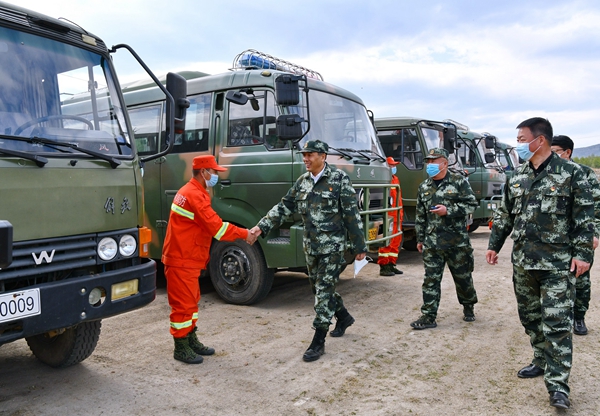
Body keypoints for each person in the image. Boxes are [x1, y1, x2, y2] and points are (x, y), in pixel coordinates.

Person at [486, 118, 594, 410]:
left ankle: (558, 386)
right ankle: (540, 359)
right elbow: (505, 215)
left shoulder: (572, 174)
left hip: (558, 265)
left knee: (557, 324)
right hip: (523, 263)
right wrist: (494, 245)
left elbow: (584, 218)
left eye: (522, 140)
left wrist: (583, 255)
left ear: (540, 140)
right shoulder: (517, 176)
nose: (518, 145)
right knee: (531, 318)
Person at [250, 140, 367, 362]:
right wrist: (261, 227)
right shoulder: (302, 182)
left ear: (323, 156)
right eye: (304, 155)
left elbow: (351, 214)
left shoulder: (339, 179)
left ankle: (318, 340)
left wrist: (359, 245)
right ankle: (343, 317)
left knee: (323, 290)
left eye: (310, 154)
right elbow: (284, 206)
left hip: (332, 247)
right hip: (311, 247)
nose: (305, 158)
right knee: (319, 288)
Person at [162, 155, 257, 364]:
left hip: (186, 257)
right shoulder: (194, 195)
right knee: (183, 305)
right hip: (182, 258)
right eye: (214, 172)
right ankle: (181, 346)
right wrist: (245, 234)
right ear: (204, 172)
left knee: (191, 301)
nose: (216, 176)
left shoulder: (192, 191)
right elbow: (217, 228)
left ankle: (190, 338)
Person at [411, 148, 478, 329]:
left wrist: (449, 210)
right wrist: (420, 238)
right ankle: (428, 316)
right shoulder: (424, 187)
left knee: (463, 277)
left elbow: (472, 204)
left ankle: (468, 306)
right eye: (428, 161)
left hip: (457, 241)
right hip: (433, 242)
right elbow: (420, 215)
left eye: (434, 161)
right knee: (430, 280)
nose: (430, 165)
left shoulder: (458, 182)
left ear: (445, 163)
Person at [551, 135, 600, 335]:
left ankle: (579, 317)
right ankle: (558, 319)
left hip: (579, 236)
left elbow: (596, 208)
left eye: (555, 152)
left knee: (580, 279)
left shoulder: (584, 173)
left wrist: (594, 234)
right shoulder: (548, 172)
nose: (551, 156)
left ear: (567, 152)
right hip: (554, 239)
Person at [378, 156, 404, 276]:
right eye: (391, 165)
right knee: (386, 241)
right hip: (389, 215)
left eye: (394, 165)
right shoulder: (383, 180)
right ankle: (384, 266)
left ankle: (391, 264)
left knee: (395, 241)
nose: (393, 167)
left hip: (398, 214)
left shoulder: (396, 179)